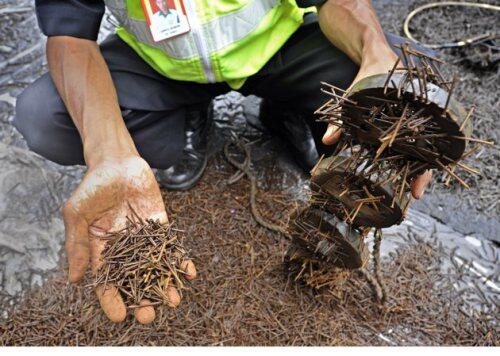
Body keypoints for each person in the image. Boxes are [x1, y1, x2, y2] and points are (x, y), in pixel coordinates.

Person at [15, 0, 433, 324]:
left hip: (278, 45)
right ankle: (185, 108)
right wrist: (108, 151)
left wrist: (373, 50)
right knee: (46, 117)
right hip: (163, 65)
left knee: (396, 96)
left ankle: (286, 104)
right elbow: (70, 35)